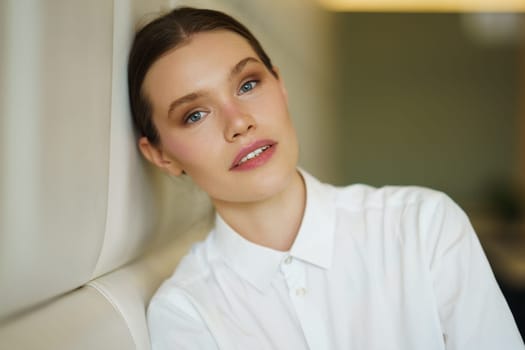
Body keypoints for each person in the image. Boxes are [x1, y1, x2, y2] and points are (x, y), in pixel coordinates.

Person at [128, 6, 524, 350]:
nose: (239, 122)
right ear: (160, 155)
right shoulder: (186, 313)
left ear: (280, 86)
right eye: (195, 114)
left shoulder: (423, 225)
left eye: (248, 85)